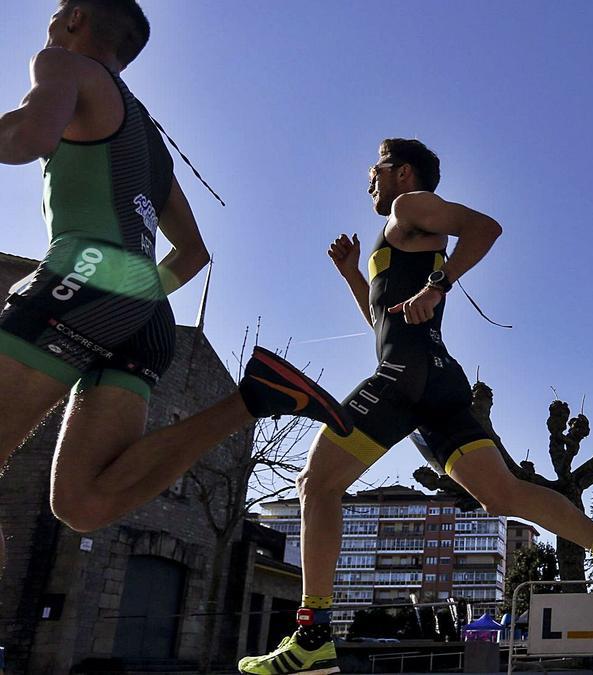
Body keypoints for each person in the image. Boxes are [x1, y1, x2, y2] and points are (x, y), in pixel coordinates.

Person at [237, 139, 593, 674]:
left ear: (403, 171)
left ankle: (313, 633)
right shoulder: (400, 234)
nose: (369, 176)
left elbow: (487, 228)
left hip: (405, 377)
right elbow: (386, 326)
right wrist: (352, 276)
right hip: (434, 379)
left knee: (316, 484)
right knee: (500, 493)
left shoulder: (407, 206)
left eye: (376, 167)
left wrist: (438, 285)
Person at [0, 0, 351, 569]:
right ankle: (254, 398)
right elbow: (194, 254)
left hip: (83, 273)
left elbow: (32, 135)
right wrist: (126, 300)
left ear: (74, 19)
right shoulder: (149, 139)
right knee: (85, 502)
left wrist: (100, 291)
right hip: (144, 313)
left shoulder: (62, 64)